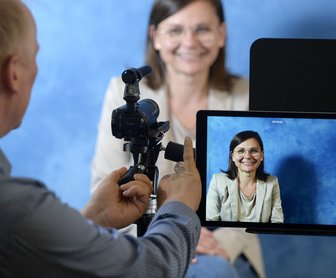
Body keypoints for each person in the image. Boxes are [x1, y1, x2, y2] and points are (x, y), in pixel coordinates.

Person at [0, 0, 202, 277]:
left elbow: (36, 254)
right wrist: (179, 205)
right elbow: (151, 270)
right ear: (13, 74)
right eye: (34, 56)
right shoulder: (17, 208)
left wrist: (94, 219)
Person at [90, 0, 265, 277]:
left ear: (221, 34)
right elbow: (104, 183)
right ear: (155, 37)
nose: (189, 42)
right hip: (142, 234)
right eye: (174, 30)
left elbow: (256, 189)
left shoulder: (246, 95)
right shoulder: (122, 94)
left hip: (220, 241)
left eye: (202, 29)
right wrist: (164, 241)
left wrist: (216, 241)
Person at [207, 130, 284, 223]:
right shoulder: (217, 181)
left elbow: (277, 222)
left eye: (254, 151)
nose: (247, 156)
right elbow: (210, 222)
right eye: (241, 151)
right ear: (232, 156)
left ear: (262, 155)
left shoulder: (272, 182)